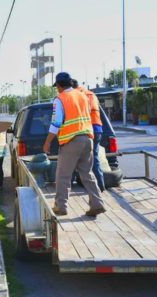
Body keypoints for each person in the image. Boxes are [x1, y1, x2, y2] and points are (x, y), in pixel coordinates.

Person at [42, 73, 105, 217]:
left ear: (59, 85)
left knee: (63, 175)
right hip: (88, 138)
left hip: (71, 140)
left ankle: (61, 206)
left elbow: (56, 123)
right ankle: (97, 203)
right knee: (87, 173)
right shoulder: (83, 95)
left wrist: (47, 143)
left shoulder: (60, 99)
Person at [72, 79, 105, 192]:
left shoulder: (78, 95)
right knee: (94, 158)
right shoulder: (91, 94)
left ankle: (75, 185)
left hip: (86, 128)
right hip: (98, 128)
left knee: (75, 157)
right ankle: (100, 185)